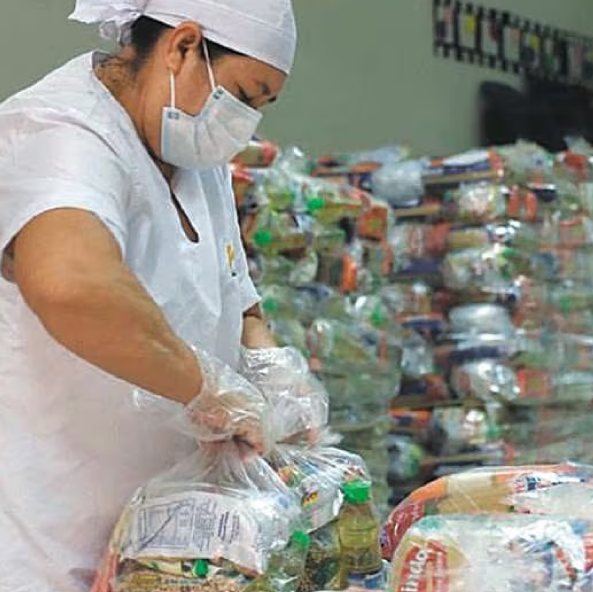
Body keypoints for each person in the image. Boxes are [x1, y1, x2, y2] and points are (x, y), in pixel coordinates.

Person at [0, 1, 302, 591]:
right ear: (184, 47)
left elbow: (236, 295)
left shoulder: (193, 153)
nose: (245, 124)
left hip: (166, 546)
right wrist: (209, 390)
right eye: (245, 96)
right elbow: (72, 286)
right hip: (51, 538)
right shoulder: (60, 132)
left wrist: (274, 372)